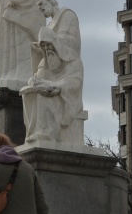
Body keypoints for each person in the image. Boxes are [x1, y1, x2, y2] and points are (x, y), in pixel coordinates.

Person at [20, 10, 84, 144]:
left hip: (65, 98)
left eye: (49, 44)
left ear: (56, 44)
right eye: (44, 46)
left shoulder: (72, 60)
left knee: (43, 95)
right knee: (29, 94)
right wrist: (34, 81)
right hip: (51, 91)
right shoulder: (45, 62)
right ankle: (33, 133)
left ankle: (47, 134)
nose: (48, 49)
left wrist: (58, 87)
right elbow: (39, 77)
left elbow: (75, 82)